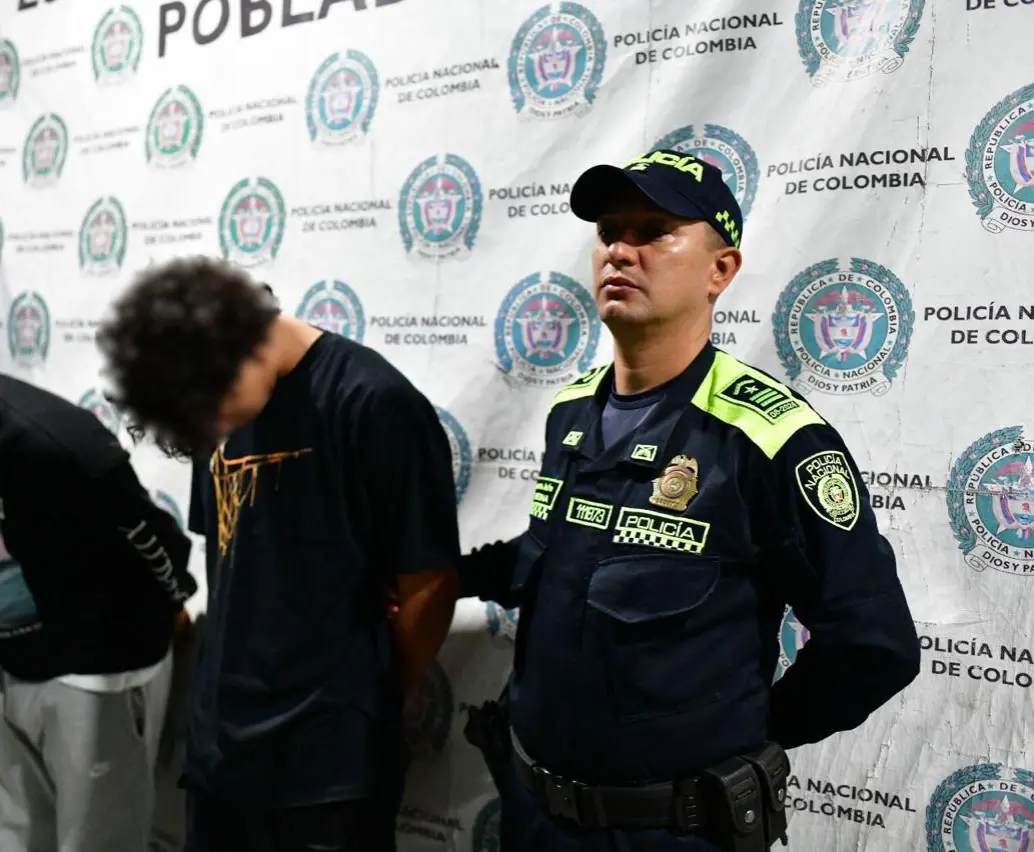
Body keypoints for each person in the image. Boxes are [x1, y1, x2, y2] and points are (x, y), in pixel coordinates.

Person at [459, 149, 922, 851]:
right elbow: (548, 555)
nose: (621, 249)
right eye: (611, 231)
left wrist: (749, 732)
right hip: (532, 816)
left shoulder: (769, 440)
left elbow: (874, 644)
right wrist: (437, 569)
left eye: (653, 232)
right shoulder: (572, 412)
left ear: (720, 270)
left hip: (669, 832)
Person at [95, 258, 461, 852]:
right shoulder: (217, 411)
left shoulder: (373, 401)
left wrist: (361, 694)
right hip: (221, 753)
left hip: (329, 766)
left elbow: (429, 585)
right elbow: (231, 564)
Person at [0, 373, 197, 852]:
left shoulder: (49, 440)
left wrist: (173, 601)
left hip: (95, 667)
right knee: (20, 835)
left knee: (98, 841)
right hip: (12, 659)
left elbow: (153, 539)